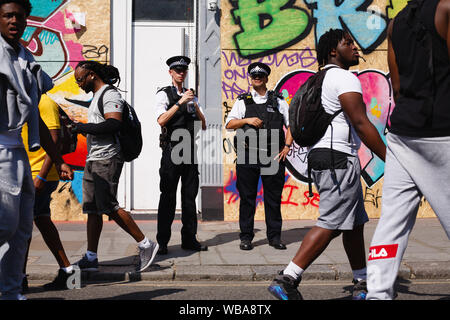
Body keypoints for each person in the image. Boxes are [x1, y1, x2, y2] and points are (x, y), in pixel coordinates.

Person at [267, 29, 386, 300]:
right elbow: (360, 122)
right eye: (348, 44)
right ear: (333, 51)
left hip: (322, 158)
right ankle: (288, 278)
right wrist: (391, 158)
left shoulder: (317, 79)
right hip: (338, 160)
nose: (356, 48)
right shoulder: (344, 78)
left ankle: (362, 282)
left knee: (354, 224)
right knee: (331, 222)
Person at [366, 0, 450, 300]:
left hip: (403, 134)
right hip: (441, 133)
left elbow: (397, 86)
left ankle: (377, 293)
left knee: (392, 222)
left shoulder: (395, 23)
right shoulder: (446, 10)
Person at [0, 0, 73, 300]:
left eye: (19, 15)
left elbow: (36, 120)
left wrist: (58, 159)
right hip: (1, 150)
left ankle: (11, 291)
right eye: (7, 15)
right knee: (3, 225)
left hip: (19, 152)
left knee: (20, 231)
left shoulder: (25, 58)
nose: (14, 21)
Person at [72, 60, 158, 272]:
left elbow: (114, 123)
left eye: (80, 79)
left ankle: (145, 244)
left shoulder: (110, 95)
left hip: (107, 158)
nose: (79, 84)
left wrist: (84, 127)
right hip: (94, 158)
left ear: (92, 75)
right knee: (92, 209)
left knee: (109, 205)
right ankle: (91, 257)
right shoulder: (96, 98)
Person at [225, 62, 292, 251]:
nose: (257, 78)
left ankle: (274, 237)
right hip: (248, 156)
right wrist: (247, 120)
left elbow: (291, 124)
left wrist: (287, 146)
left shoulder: (278, 100)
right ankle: (246, 237)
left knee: (273, 198)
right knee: (247, 198)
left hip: (272, 156)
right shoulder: (242, 101)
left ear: (266, 78)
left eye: (260, 76)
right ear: (250, 79)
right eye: (254, 76)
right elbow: (229, 124)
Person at [21, 94, 75, 291]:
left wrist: (41, 177)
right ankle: (69, 272)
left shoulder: (44, 102)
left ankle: (19, 278)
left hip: (38, 174)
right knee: (41, 220)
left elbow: (54, 139)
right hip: (30, 172)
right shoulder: (27, 99)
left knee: (22, 226)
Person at [155, 55, 207, 255]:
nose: (181, 73)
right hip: (172, 148)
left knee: (189, 197)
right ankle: (163, 242)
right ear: (171, 72)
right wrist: (180, 103)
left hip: (189, 149)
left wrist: (194, 104)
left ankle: (189, 238)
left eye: (183, 70)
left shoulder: (191, 95)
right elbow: (161, 120)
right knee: (168, 196)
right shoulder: (164, 95)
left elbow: (202, 124)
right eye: (177, 70)